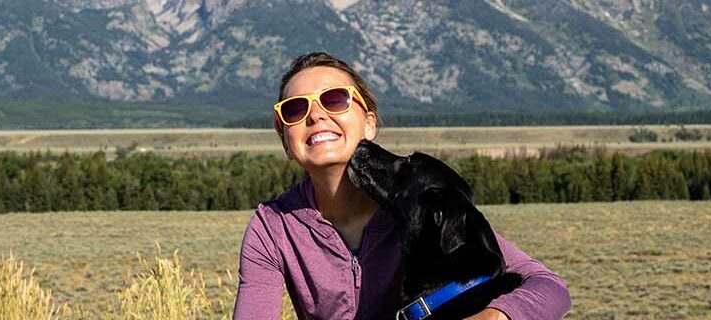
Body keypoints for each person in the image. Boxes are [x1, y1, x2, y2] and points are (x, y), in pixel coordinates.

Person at [233, 52, 572, 320]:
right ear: (286, 140)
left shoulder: (418, 206)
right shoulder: (273, 226)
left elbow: (550, 287)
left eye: (335, 99)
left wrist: (496, 316)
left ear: (369, 124)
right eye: (295, 109)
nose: (316, 115)